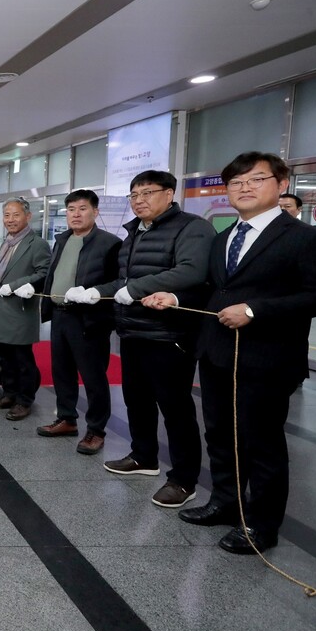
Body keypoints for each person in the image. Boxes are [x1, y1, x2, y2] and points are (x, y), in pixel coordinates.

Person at [147, 153, 316, 554]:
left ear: (281, 184)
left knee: (261, 443)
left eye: (256, 179)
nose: (244, 188)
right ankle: (225, 503)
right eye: (236, 182)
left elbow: (315, 295)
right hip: (217, 353)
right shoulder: (224, 237)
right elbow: (214, 289)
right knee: (220, 434)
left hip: (268, 359)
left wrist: (256, 310)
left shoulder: (304, 238)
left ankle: (261, 524)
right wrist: (174, 297)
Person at [84, 171, 214, 509]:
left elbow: (191, 271)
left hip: (169, 335)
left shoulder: (192, 228)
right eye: (134, 194)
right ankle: (143, 456)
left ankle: (184, 479)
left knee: (175, 408)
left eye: (147, 192)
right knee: (136, 400)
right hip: (133, 330)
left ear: (169, 194)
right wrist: (94, 291)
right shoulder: (134, 233)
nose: (139, 200)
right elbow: (124, 281)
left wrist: (136, 288)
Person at [35, 190, 122, 454]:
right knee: (62, 371)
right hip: (60, 314)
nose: (76, 214)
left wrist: (92, 293)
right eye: (71, 209)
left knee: (93, 376)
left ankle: (96, 430)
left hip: (88, 318)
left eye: (82, 209)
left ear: (95, 211)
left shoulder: (110, 243)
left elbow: (119, 282)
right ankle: (66, 418)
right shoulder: (62, 240)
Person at [0, 197, 51, 421]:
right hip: (3, 310)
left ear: (28, 216)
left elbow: (44, 273)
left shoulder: (37, 244)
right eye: (7, 215)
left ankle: (24, 401)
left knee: (22, 359)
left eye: (16, 215)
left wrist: (16, 285)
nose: (10, 219)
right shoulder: (7, 243)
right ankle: (9, 394)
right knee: (6, 357)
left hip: (21, 310)